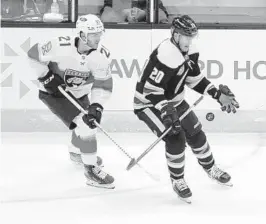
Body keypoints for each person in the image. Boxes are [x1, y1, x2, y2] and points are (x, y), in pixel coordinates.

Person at [133, 15, 239, 202]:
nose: (188, 41)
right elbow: (150, 90)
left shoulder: (190, 52)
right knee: (176, 137)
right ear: (174, 35)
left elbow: (194, 80)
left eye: (191, 37)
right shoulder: (166, 54)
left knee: (196, 133)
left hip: (175, 102)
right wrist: (165, 109)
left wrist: (217, 94)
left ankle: (210, 168)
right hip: (148, 104)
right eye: (185, 36)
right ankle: (178, 180)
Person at [27, 14, 115, 189]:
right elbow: (32, 55)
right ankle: (90, 170)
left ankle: (76, 153)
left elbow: (103, 83)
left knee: (88, 120)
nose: (98, 38)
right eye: (93, 34)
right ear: (82, 34)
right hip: (55, 94)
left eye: (99, 33)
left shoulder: (102, 55)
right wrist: (45, 77)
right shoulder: (59, 44)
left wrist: (97, 105)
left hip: (80, 94)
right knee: (86, 126)